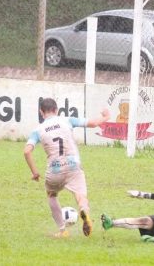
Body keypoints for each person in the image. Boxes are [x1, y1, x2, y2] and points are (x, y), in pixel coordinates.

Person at [23, 98, 110, 238]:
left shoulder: (37, 130)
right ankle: (84, 212)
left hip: (54, 170)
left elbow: (27, 151)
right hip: (73, 166)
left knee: (51, 195)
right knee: (80, 196)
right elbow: (93, 123)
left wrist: (35, 172)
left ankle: (63, 231)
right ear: (56, 110)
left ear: (41, 112)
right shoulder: (67, 120)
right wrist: (105, 116)